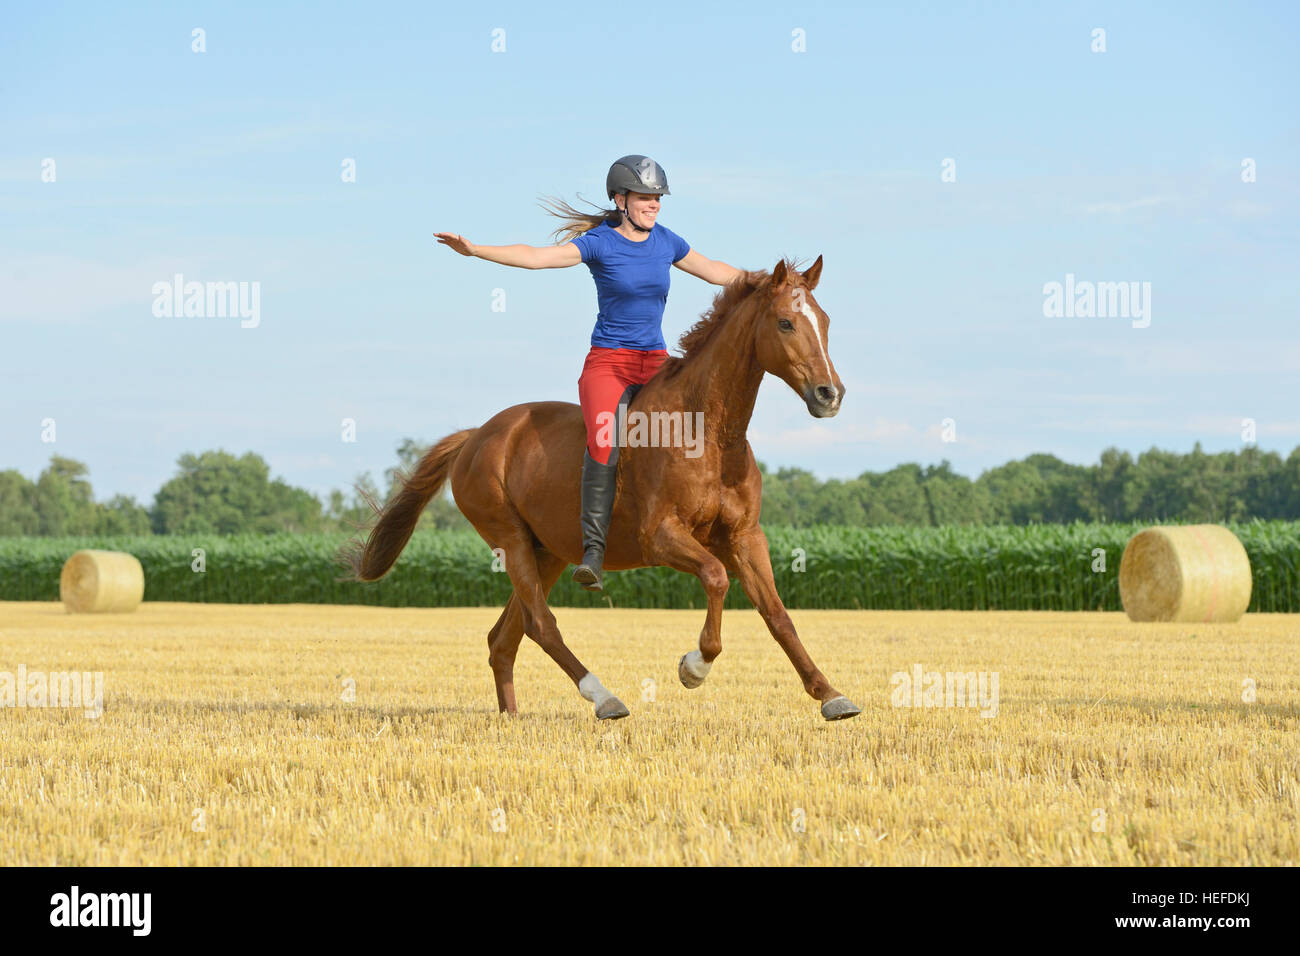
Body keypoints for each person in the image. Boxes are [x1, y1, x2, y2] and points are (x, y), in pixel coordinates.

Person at [434, 155, 744, 591]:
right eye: (644, 197)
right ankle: (593, 552)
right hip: (610, 364)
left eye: (657, 197)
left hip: (656, 362)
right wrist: (476, 250)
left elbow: (718, 272)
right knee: (604, 439)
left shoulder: (668, 242)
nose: (653, 204)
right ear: (620, 200)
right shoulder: (599, 242)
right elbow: (537, 258)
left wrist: (772, 284)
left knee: (687, 431)